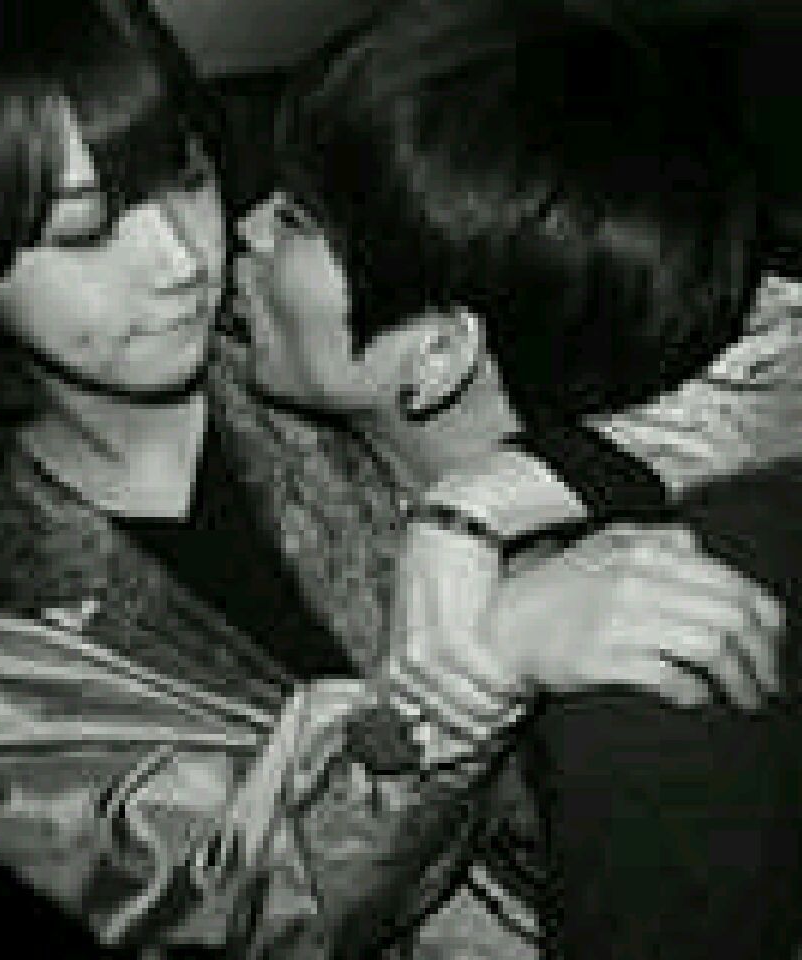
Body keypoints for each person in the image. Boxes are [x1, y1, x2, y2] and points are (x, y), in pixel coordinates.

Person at [0, 1, 789, 957]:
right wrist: (467, 675)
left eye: (184, 173)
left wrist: (486, 502)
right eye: (86, 231)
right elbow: (231, 915)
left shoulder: (293, 330)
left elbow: (757, 334)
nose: (182, 259)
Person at [229, 0, 802, 955]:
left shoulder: (653, 674)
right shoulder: (243, 401)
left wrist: (452, 682)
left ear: (439, 356)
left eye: (295, 220)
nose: (241, 230)